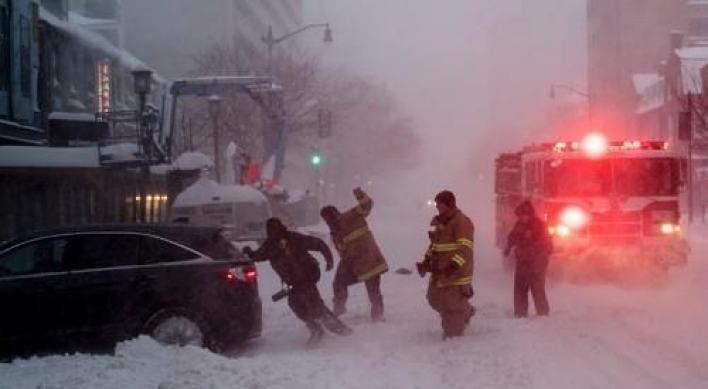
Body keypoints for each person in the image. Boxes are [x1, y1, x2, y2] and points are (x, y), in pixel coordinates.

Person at [243, 217, 352, 344]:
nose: (273, 232)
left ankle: (342, 330)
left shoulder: (293, 238)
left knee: (316, 306)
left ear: (280, 227)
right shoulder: (270, 245)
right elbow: (259, 256)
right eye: (270, 230)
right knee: (296, 305)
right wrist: (250, 253)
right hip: (292, 283)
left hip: (306, 278)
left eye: (275, 229)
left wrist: (329, 259)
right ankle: (316, 329)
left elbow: (318, 244)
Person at [320, 187, 388, 322]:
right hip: (352, 264)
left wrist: (359, 194)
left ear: (335, 215)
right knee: (339, 282)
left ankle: (378, 316)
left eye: (328, 219)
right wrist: (345, 265)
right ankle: (339, 308)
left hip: (370, 260)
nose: (328, 223)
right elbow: (342, 251)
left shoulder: (352, 216)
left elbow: (367, 205)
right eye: (325, 221)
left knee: (373, 289)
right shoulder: (335, 233)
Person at [416, 190, 475, 340]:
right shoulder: (440, 224)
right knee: (433, 298)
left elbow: (465, 248)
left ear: (449, 204)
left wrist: (454, 265)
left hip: (456, 273)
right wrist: (426, 262)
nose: (437, 207)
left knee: (452, 319)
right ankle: (466, 310)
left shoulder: (461, 222)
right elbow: (435, 246)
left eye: (439, 204)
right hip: (440, 271)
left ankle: (454, 328)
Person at [503, 200, 553, 317]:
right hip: (522, 262)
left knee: (537, 289)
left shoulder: (538, 226)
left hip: (536, 263)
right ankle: (520, 313)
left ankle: (543, 313)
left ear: (529, 214)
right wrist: (508, 248)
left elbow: (547, 246)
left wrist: (538, 261)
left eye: (522, 216)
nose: (520, 218)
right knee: (520, 288)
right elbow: (512, 236)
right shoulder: (519, 224)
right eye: (519, 216)